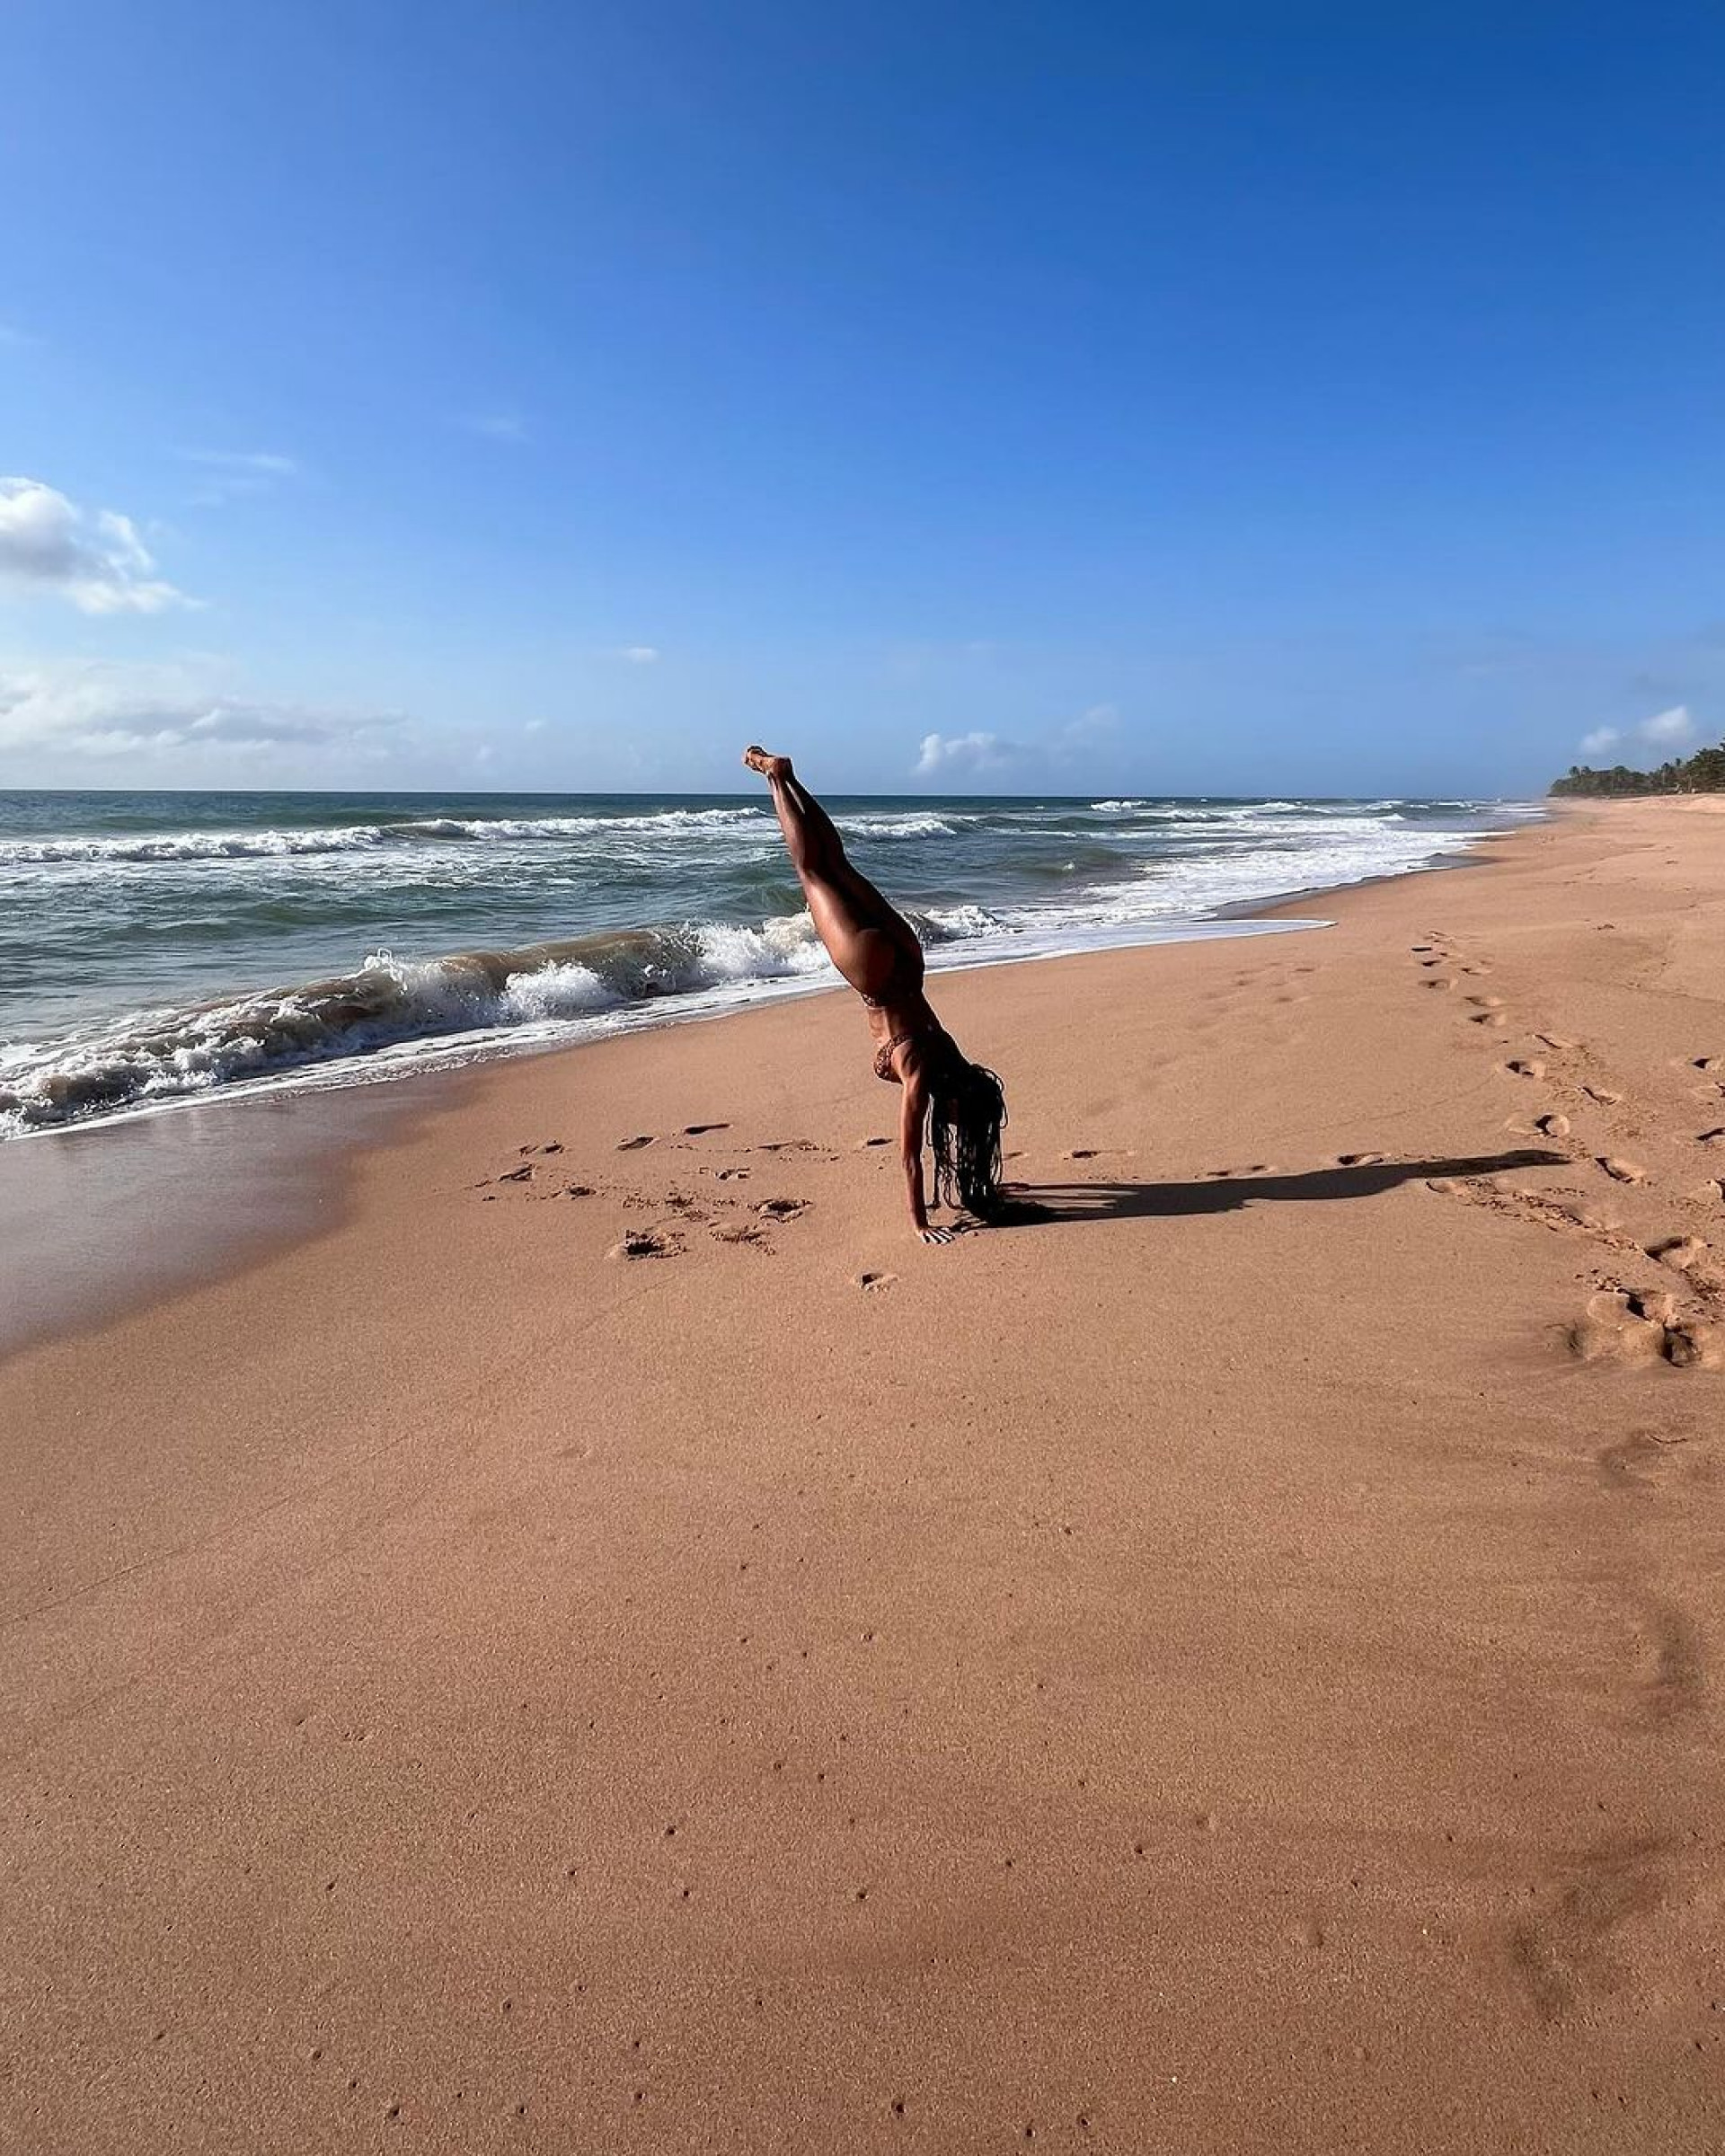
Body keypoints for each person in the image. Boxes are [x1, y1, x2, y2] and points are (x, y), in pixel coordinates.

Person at [744, 747, 1008, 1243]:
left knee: (836, 862)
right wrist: (919, 1224)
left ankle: (793, 780)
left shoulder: (953, 1058)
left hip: (909, 959)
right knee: (811, 874)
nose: (952, 1127)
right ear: (955, 1103)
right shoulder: (925, 1073)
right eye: (957, 1120)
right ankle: (776, 782)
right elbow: (909, 1156)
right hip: (874, 975)